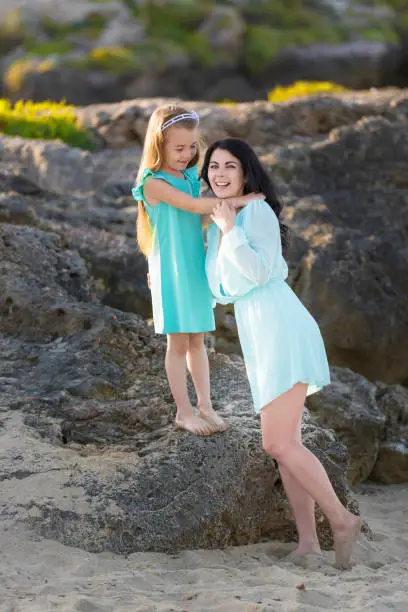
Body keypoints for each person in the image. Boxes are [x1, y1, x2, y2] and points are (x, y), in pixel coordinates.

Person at [202, 138, 361, 569]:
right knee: (286, 443)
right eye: (213, 166)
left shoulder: (255, 214)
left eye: (229, 166)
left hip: (281, 325)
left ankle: (342, 521)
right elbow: (218, 290)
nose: (219, 173)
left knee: (275, 441)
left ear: (246, 172)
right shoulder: (223, 220)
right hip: (259, 334)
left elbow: (258, 271)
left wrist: (231, 230)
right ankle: (308, 542)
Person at [132, 106, 260, 436]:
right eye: (179, 148)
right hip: (171, 271)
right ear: (158, 145)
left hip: (194, 266)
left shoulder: (188, 176)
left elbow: (198, 217)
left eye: (192, 147)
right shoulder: (153, 183)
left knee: (198, 341)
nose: (188, 154)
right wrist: (242, 199)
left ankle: (205, 405)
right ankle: (183, 411)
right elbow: (193, 207)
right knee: (177, 344)